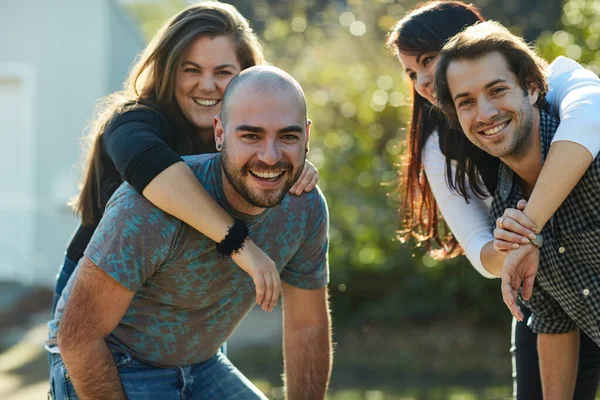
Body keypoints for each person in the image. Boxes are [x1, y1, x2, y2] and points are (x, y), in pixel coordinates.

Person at [47, 65, 332, 400]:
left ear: (307, 137)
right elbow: (79, 337)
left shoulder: (305, 206)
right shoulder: (147, 208)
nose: (270, 157)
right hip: (117, 362)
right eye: (251, 136)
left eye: (288, 136)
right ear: (220, 133)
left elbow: (307, 326)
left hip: (202, 365)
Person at [386, 1, 600, 398]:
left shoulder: (559, 86)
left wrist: (529, 230)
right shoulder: (445, 151)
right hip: (541, 282)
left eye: (429, 59)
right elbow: (483, 251)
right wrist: (523, 243)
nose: (422, 81)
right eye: (411, 72)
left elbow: (591, 119)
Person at [54, 1, 319, 316]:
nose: (207, 85)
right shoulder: (131, 122)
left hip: (187, 301)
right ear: (169, 71)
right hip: (96, 299)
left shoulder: (237, 141)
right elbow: (152, 166)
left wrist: (285, 165)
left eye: (223, 72)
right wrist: (241, 245)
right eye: (191, 70)